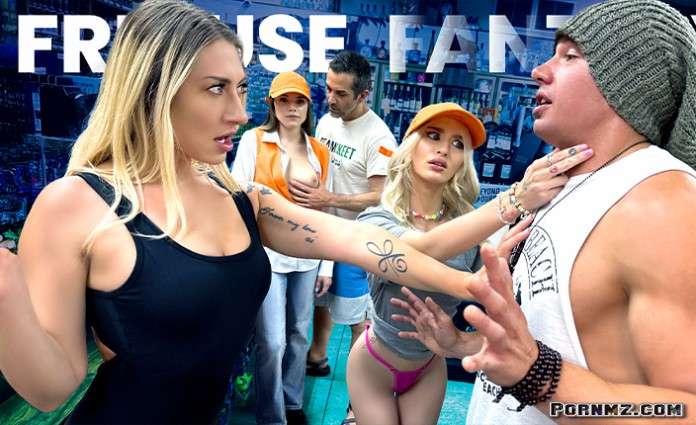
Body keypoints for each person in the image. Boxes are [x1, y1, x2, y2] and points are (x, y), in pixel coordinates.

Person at [0, 2, 534, 422]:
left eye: (239, 88)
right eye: (216, 89)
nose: (238, 112)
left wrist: (471, 285)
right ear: (154, 91)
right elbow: (52, 389)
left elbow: (363, 245)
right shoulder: (76, 205)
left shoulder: (240, 198)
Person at [393, 1, 696, 424]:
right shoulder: (560, 180)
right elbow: (544, 342)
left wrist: (538, 377)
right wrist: (463, 344)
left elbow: (683, 409)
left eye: (569, 56)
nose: (539, 70)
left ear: (628, 85)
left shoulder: (660, 202)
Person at [349, 103, 592, 425]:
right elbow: (417, 251)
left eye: (457, 144)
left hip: (428, 367)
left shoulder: (472, 229)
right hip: (374, 364)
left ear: (464, 161)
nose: (443, 150)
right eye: (433, 136)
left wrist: (498, 266)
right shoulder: (376, 220)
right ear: (409, 146)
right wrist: (516, 198)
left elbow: (492, 295)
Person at [231, 71, 332, 425]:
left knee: (299, 334)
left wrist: (327, 266)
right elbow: (239, 193)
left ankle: (291, 403)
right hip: (267, 255)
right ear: (272, 105)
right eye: (284, 100)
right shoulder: (254, 141)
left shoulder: (319, 151)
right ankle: (272, 416)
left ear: (308, 106)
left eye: (299, 101)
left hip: (308, 256)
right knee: (272, 340)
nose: (292, 108)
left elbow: (325, 210)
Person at [293, 51, 397, 391]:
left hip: (356, 238)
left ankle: (361, 386)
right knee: (321, 299)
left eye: (341, 93)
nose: (331, 99)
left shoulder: (378, 138)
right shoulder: (326, 122)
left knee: (357, 316)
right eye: (328, 89)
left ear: (363, 94)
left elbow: (379, 196)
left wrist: (329, 199)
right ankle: (317, 356)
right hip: (322, 230)